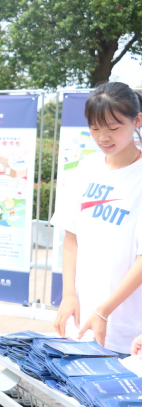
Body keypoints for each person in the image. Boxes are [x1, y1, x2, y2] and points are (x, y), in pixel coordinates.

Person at [52, 81, 142, 356]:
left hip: (127, 332)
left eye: (113, 128)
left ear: (137, 121)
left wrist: (104, 311)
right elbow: (71, 238)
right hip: (82, 322)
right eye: (94, 128)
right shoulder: (86, 168)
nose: (103, 137)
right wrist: (69, 295)